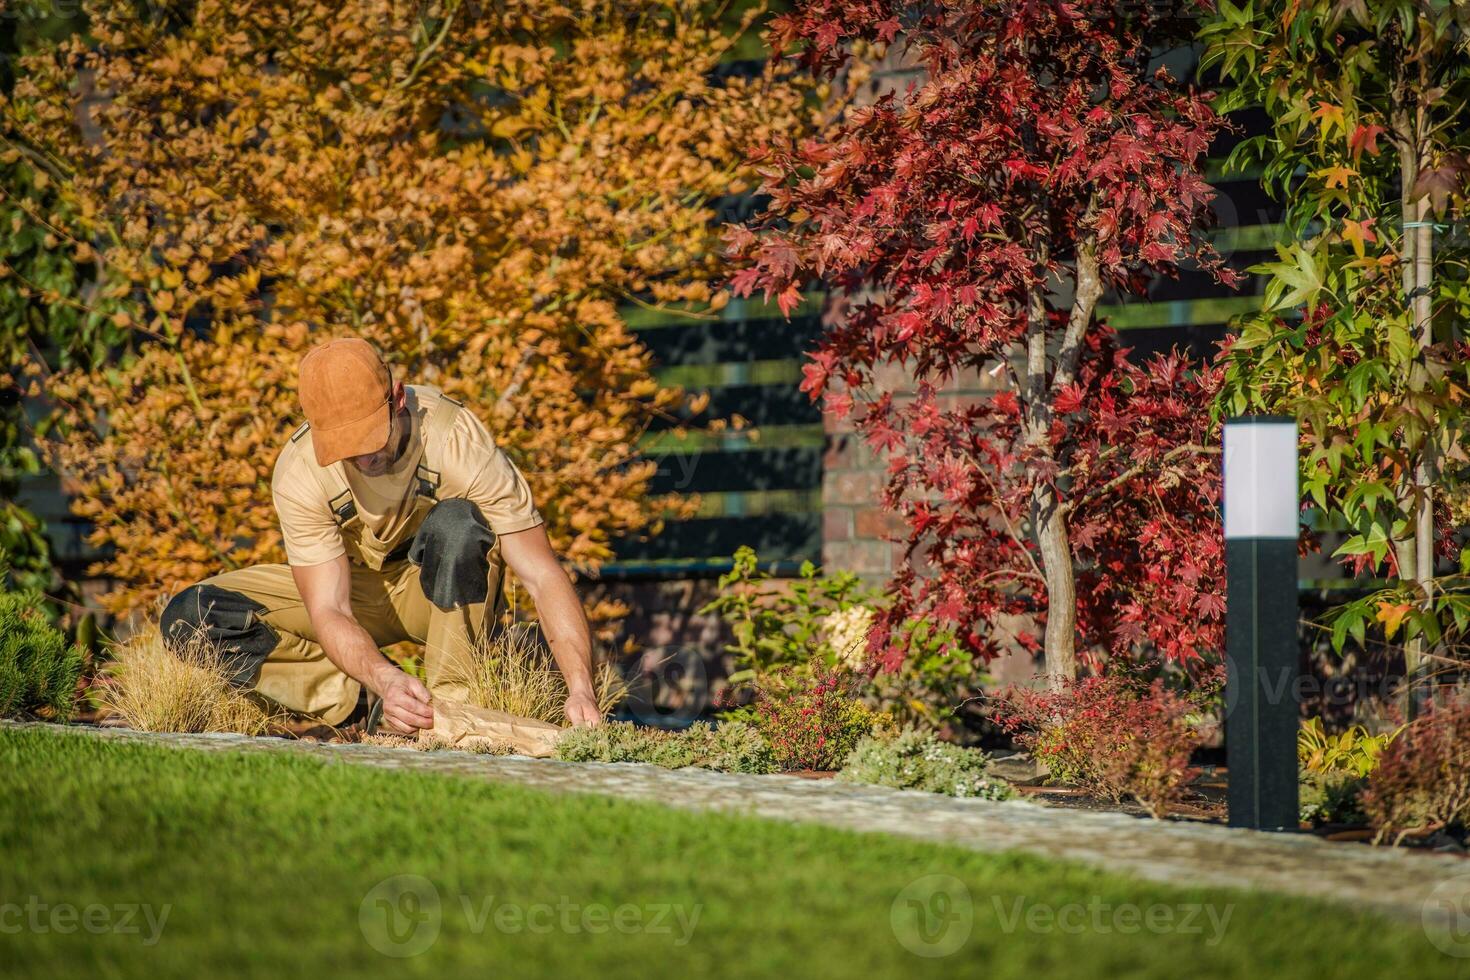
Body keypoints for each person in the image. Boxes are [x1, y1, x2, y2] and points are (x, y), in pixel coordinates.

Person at [159, 337, 602, 733]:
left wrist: (580, 688)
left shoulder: (455, 441)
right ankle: (355, 701)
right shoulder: (299, 472)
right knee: (191, 616)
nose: (363, 458)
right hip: (355, 597)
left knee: (458, 525)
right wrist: (383, 677)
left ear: (397, 398)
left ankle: (450, 712)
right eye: (345, 445)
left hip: (435, 594)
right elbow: (330, 608)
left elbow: (542, 575)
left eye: (370, 437)